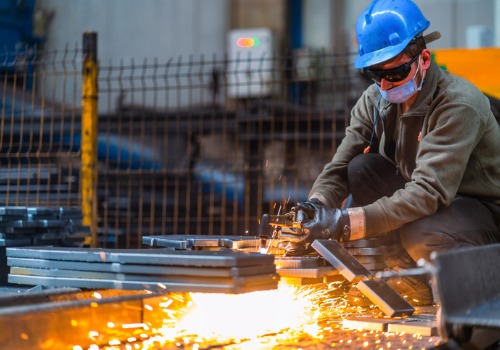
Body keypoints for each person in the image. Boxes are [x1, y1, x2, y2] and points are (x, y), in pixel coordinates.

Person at [295, 0, 500, 305]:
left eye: (396, 73)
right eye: (376, 75)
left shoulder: (457, 105)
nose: (385, 84)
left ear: (424, 59)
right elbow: (342, 164)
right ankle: (400, 271)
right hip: (432, 200)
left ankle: (457, 284)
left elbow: (428, 192)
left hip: (482, 213)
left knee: (423, 232)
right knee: (361, 167)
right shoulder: (375, 99)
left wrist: (346, 222)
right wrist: (317, 206)